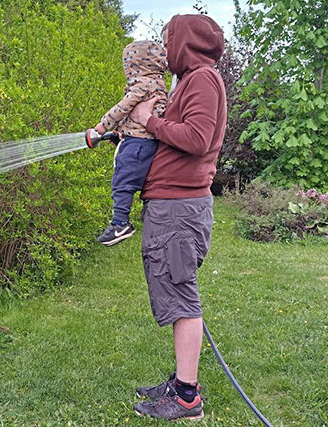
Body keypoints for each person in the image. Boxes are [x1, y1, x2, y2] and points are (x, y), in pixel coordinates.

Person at [127, 14, 227, 421]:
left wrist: (149, 121)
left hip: (178, 210)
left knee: (182, 298)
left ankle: (187, 397)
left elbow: (198, 138)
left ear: (186, 41)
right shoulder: (189, 81)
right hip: (173, 206)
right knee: (178, 290)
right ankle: (182, 383)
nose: (165, 49)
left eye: (169, 39)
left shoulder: (202, 78)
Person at [93, 40, 168, 246]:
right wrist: (120, 133)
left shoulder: (142, 85)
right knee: (141, 180)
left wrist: (102, 126)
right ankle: (148, 212)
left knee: (122, 182)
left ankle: (120, 223)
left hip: (138, 144)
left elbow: (124, 107)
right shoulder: (157, 84)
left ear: (135, 66)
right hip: (145, 142)